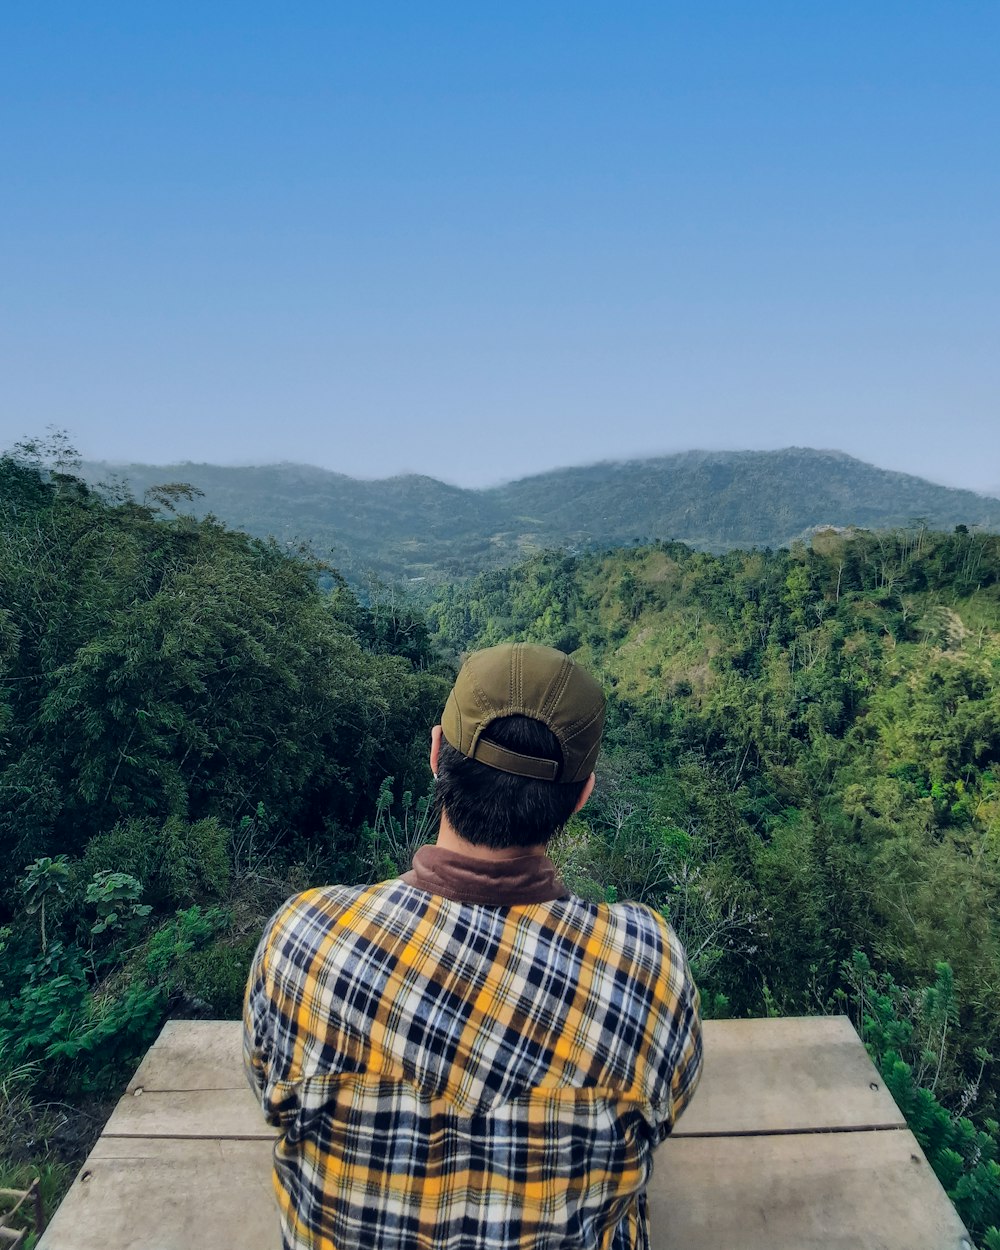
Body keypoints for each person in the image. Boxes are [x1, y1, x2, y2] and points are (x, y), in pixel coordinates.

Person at [244, 642, 702, 1250]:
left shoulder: (302, 942)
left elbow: (269, 1093)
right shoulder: (649, 966)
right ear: (583, 794)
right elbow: (665, 1113)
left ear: (437, 754)